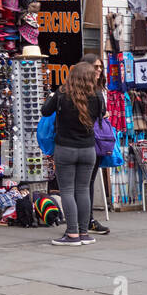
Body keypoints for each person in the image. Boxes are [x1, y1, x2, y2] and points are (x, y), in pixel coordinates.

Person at [41, 60, 103, 246]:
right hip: (88, 149)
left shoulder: (62, 94)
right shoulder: (98, 95)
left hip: (65, 148)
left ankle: (72, 233)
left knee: (67, 191)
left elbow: (45, 111)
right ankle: (84, 233)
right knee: (83, 190)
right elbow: (102, 114)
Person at [81, 54, 110, 236]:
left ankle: (86, 219)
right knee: (85, 183)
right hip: (88, 142)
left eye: (100, 67)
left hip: (95, 142)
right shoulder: (91, 92)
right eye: (95, 67)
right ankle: (86, 220)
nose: (98, 70)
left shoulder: (99, 89)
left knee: (88, 182)